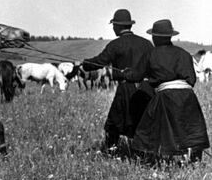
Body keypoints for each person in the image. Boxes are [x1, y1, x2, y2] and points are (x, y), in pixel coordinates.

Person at [121, 19, 210, 163]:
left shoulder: (151, 54)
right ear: (169, 36)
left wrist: (126, 74)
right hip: (188, 96)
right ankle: (194, 160)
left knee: (149, 128)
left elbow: (136, 75)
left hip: (166, 96)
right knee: (190, 128)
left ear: (155, 37)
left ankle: (152, 160)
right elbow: (192, 80)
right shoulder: (184, 54)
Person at [82, 9, 154, 153]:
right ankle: (145, 153)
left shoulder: (115, 45)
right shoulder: (147, 44)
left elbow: (99, 62)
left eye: (114, 25)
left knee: (114, 123)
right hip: (146, 89)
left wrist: (85, 63)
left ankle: (111, 152)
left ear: (118, 26)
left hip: (126, 88)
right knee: (142, 121)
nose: (113, 28)